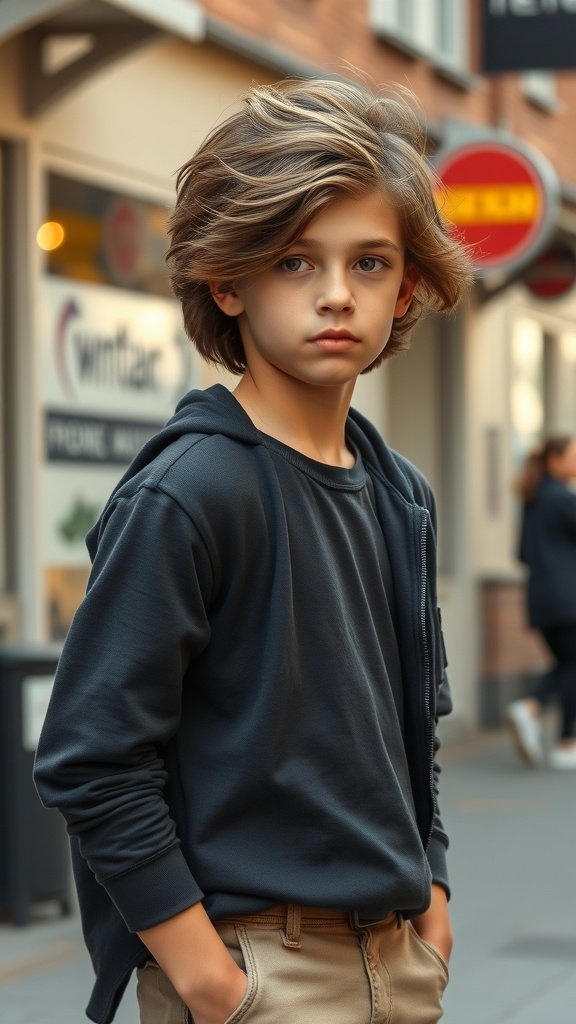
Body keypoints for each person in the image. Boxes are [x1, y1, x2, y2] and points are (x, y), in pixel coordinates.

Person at [34, 77, 471, 1024]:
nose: (334, 296)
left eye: (368, 264)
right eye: (294, 263)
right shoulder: (192, 491)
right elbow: (89, 755)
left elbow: (410, 736)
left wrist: (431, 898)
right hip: (256, 972)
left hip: (397, 962)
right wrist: (207, 977)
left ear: (406, 288)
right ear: (227, 279)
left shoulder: (402, 496)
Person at [506, 435, 576, 771]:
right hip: (569, 599)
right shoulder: (562, 499)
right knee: (571, 666)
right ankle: (533, 708)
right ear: (554, 461)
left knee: (569, 666)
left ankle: (565, 743)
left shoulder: (533, 500)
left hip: (541, 598)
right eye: (574, 455)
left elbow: (520, 553)